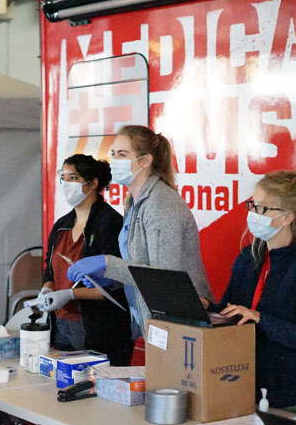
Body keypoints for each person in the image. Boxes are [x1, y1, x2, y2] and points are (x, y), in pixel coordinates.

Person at [68, 125, 213, 341]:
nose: (115, 161)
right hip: (156, 318)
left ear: (145, 160)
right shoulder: (134, 202)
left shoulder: (161, 204)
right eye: (114, 154)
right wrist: (109, 278)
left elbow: (164, 276)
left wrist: (108, 263)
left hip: (180, 320)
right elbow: (139, 263)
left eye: (123, 155)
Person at [205, 170, 296, 414]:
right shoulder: (248, 257)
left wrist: (260, 318)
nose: (253, 214)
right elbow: (230, 310)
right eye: (252, 205)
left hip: (291, 398)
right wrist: (206, 307)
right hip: (244, 385)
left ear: (286, 217)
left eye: (262, 208)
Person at [37, 154, 132, 365]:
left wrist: (70, 293)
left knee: (92, 387)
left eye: (73, 177)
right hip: (60, 324)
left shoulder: (109, 222)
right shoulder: (61, 224)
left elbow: (115, 283)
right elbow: (49, 270)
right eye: (63, 177)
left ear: (92, 183)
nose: (65, 184)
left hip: (97, 326)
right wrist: (47, 289)